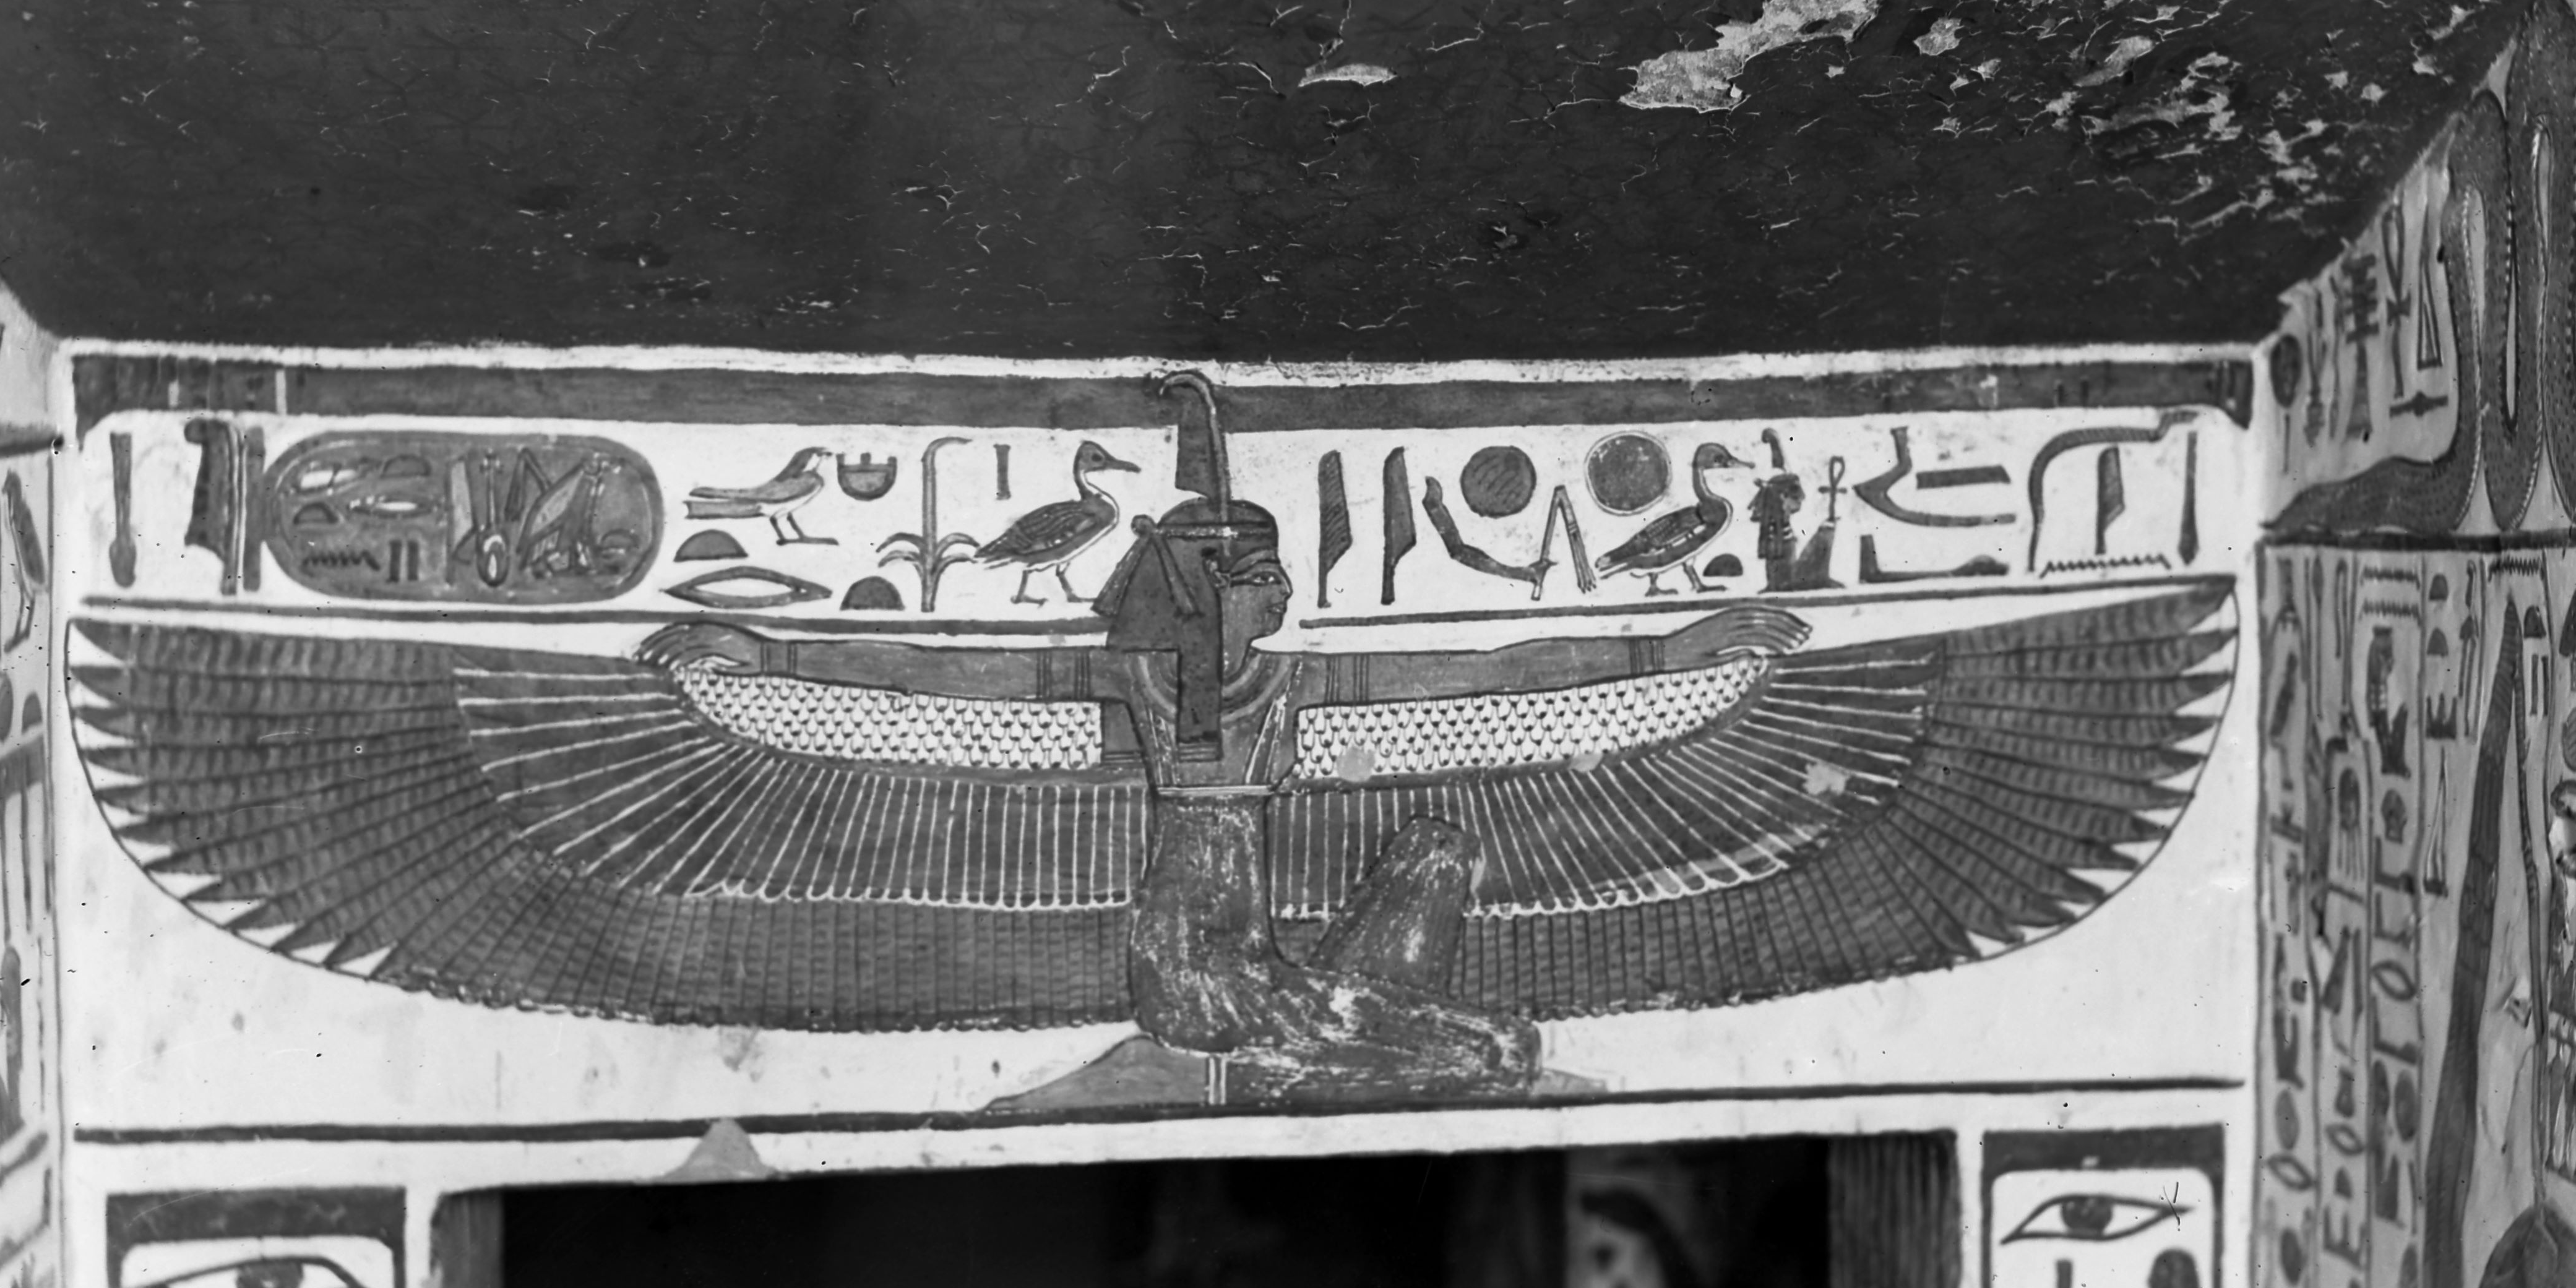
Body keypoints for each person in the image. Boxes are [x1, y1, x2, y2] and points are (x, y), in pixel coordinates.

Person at [644, 376, 1803, 1099]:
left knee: (1439, 850)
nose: (1276, 593)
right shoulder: (1151, 685)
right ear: (1204, 590)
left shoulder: (1288, 683)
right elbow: (932, 669)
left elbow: (1496, 668)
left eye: (1274, 576)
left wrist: (1674, 647)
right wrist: (767, 654)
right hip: (1195, 981)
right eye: (1252, 576)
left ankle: (1339, 1036)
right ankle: (1342, 1051)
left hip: (1270, 973)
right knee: (1500, 1050)